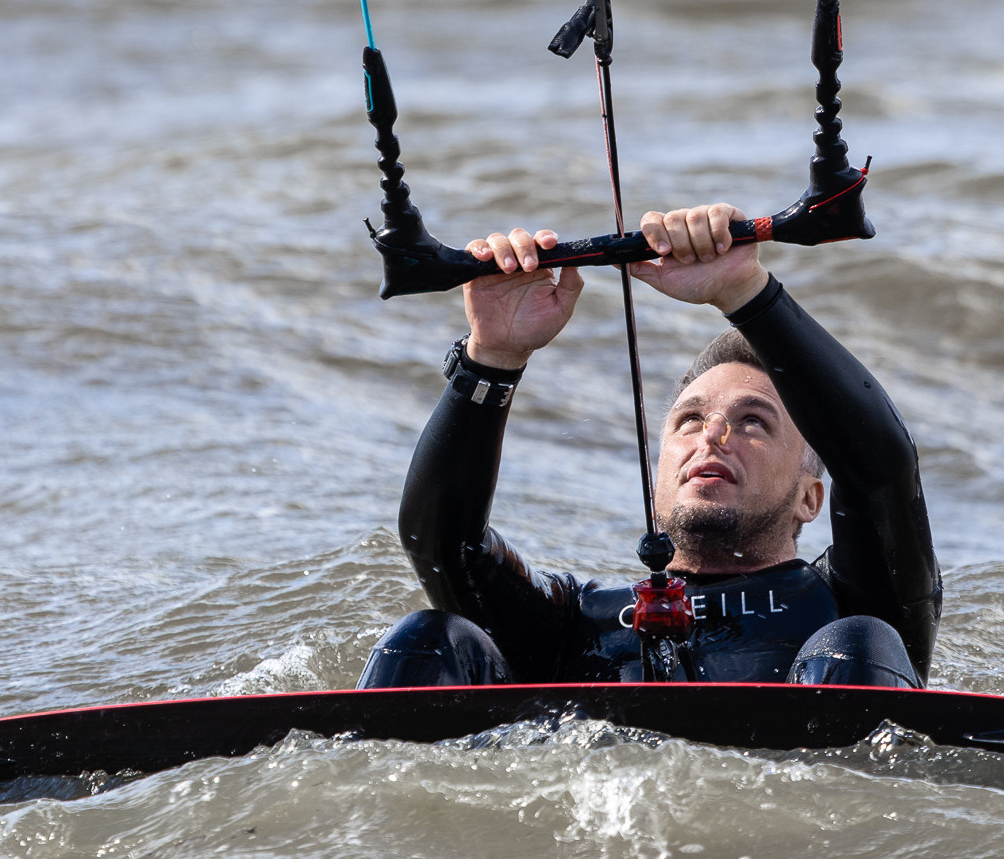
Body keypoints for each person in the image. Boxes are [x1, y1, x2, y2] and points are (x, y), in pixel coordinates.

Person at [358, 203, 941, 689]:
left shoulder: (856, 598)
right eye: (688, 420)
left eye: (755, 423)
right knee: (427, 640)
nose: (712, 435)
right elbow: (440, 542)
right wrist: (493, 358)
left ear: (810, 499)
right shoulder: (574, 624)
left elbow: (882, 472)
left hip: (820, 793)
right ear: (657, 475)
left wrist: (746, 292)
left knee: (861, 643)